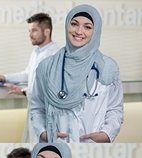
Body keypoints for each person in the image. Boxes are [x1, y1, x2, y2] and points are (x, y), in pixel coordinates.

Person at [30, 4, 123, 144]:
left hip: (91, 147)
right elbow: (37, 107)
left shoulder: (108, 67)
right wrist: (43, 133)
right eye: (74, 24)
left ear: (96, 31)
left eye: (87, 27)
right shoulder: (46, 66)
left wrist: (106, 134)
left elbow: (115, 108)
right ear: (67, 26)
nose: (79, 31)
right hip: (56, 145)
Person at [0, 13, 59, 141]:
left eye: (34, 30)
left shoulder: (53, 55)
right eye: (29, 31)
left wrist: (22, 91)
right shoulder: (37, 52)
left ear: (47, 31)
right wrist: (4, 77)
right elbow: (28, 74)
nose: (30, 34)